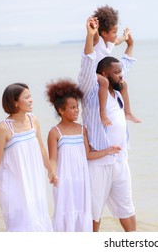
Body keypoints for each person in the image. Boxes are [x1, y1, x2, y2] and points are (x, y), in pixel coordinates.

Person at [78, 17, 137, 232]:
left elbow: (125, 67)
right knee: (94, 213)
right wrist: (89, 37)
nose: (121, 75)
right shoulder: (91, 91)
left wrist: (130, 45)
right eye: (116, 73)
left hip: (121, 160)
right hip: (99, 163)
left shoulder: (117, 90)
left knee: (127, 208)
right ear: (104, 74)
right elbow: (86, 65)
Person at [46, 78, 120, 232]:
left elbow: (87, 154)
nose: (76, 111)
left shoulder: (82, 129)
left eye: (77, 107)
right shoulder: (55, 132)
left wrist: (108, 151)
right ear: (61, 110)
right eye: (72, 108)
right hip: (64, 180)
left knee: (82, 211)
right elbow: (52, 158)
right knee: (65, 212)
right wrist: (52, 173)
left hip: (81, 179)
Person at [0, 83, 56, 231]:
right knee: (21, 224)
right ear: (15, 102)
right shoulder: (3, 128)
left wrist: (50, 171)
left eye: (30, 97)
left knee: (38, 219)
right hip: (13, 185)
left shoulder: (33, 120)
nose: (31, 100)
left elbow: (41, 147)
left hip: (33, 180)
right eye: (27, 97)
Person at [92, 5, 141, 126]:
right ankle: (103, 115)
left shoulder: (110, 42)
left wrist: (125, 37)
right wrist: (93, 24)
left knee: (123, 83)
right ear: (104, 32)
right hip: (93, 73)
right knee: (105, 82)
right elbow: (94, 35)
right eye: (114, 32)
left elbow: (117, 41)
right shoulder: (97, 42)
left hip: (103, 71)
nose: (116, 35)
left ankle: (128, 112)